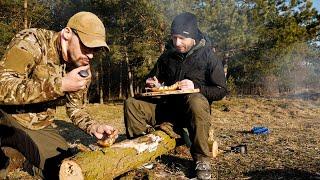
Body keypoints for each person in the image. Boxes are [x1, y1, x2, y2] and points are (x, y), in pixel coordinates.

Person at [0, 11, 118, 179]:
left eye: (96, 50)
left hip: (39, 125)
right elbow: (2, 86)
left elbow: (76, 109)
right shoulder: (32, 41)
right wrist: (60, 85)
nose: (90, 55)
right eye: (86, 46)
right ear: (67, 34)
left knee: (64, 167)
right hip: (7, 116)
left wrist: (93, 127)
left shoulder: (81, 67)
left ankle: (20, 156)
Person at [124, 12, 227, 180]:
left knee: (194, 99)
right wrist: (152, 84)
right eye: (174, 38)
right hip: (167, 110)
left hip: (192, 115)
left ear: (193, 37)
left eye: (181, 38)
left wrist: (197, 87)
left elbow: (221, 90)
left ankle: (201, 159)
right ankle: (142, 153)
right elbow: (153, 80)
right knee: (132, 103)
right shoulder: (167, 56)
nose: (177, 43)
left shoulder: (208, 56)